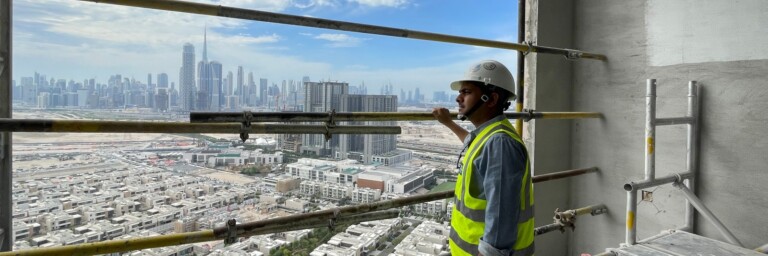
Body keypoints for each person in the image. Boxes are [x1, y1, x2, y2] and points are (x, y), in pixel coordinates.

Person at [432, 60, 534, 256]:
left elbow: (501, 214)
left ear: (492, 99)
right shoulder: (489, 136)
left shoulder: (499, 143)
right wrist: (449, 123)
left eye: (467, 92)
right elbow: (471, 142)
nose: (458, 98)